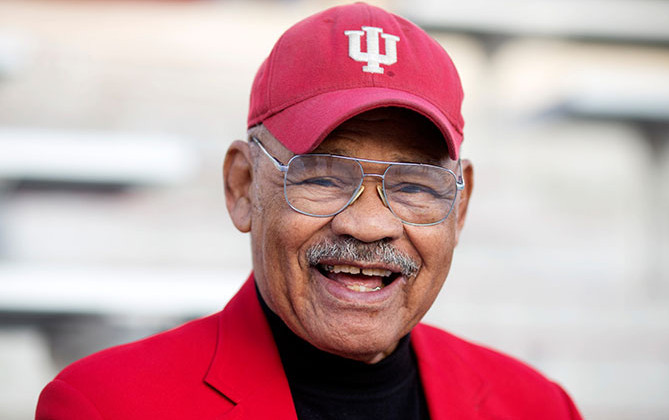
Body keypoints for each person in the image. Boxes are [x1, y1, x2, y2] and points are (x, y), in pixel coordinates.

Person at [36, 3, 583, 419]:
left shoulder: (536, 405)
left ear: (458, 208)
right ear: (243, 186)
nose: (370, 225)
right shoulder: (108, 405)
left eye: (414, 185)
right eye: (321, 176)